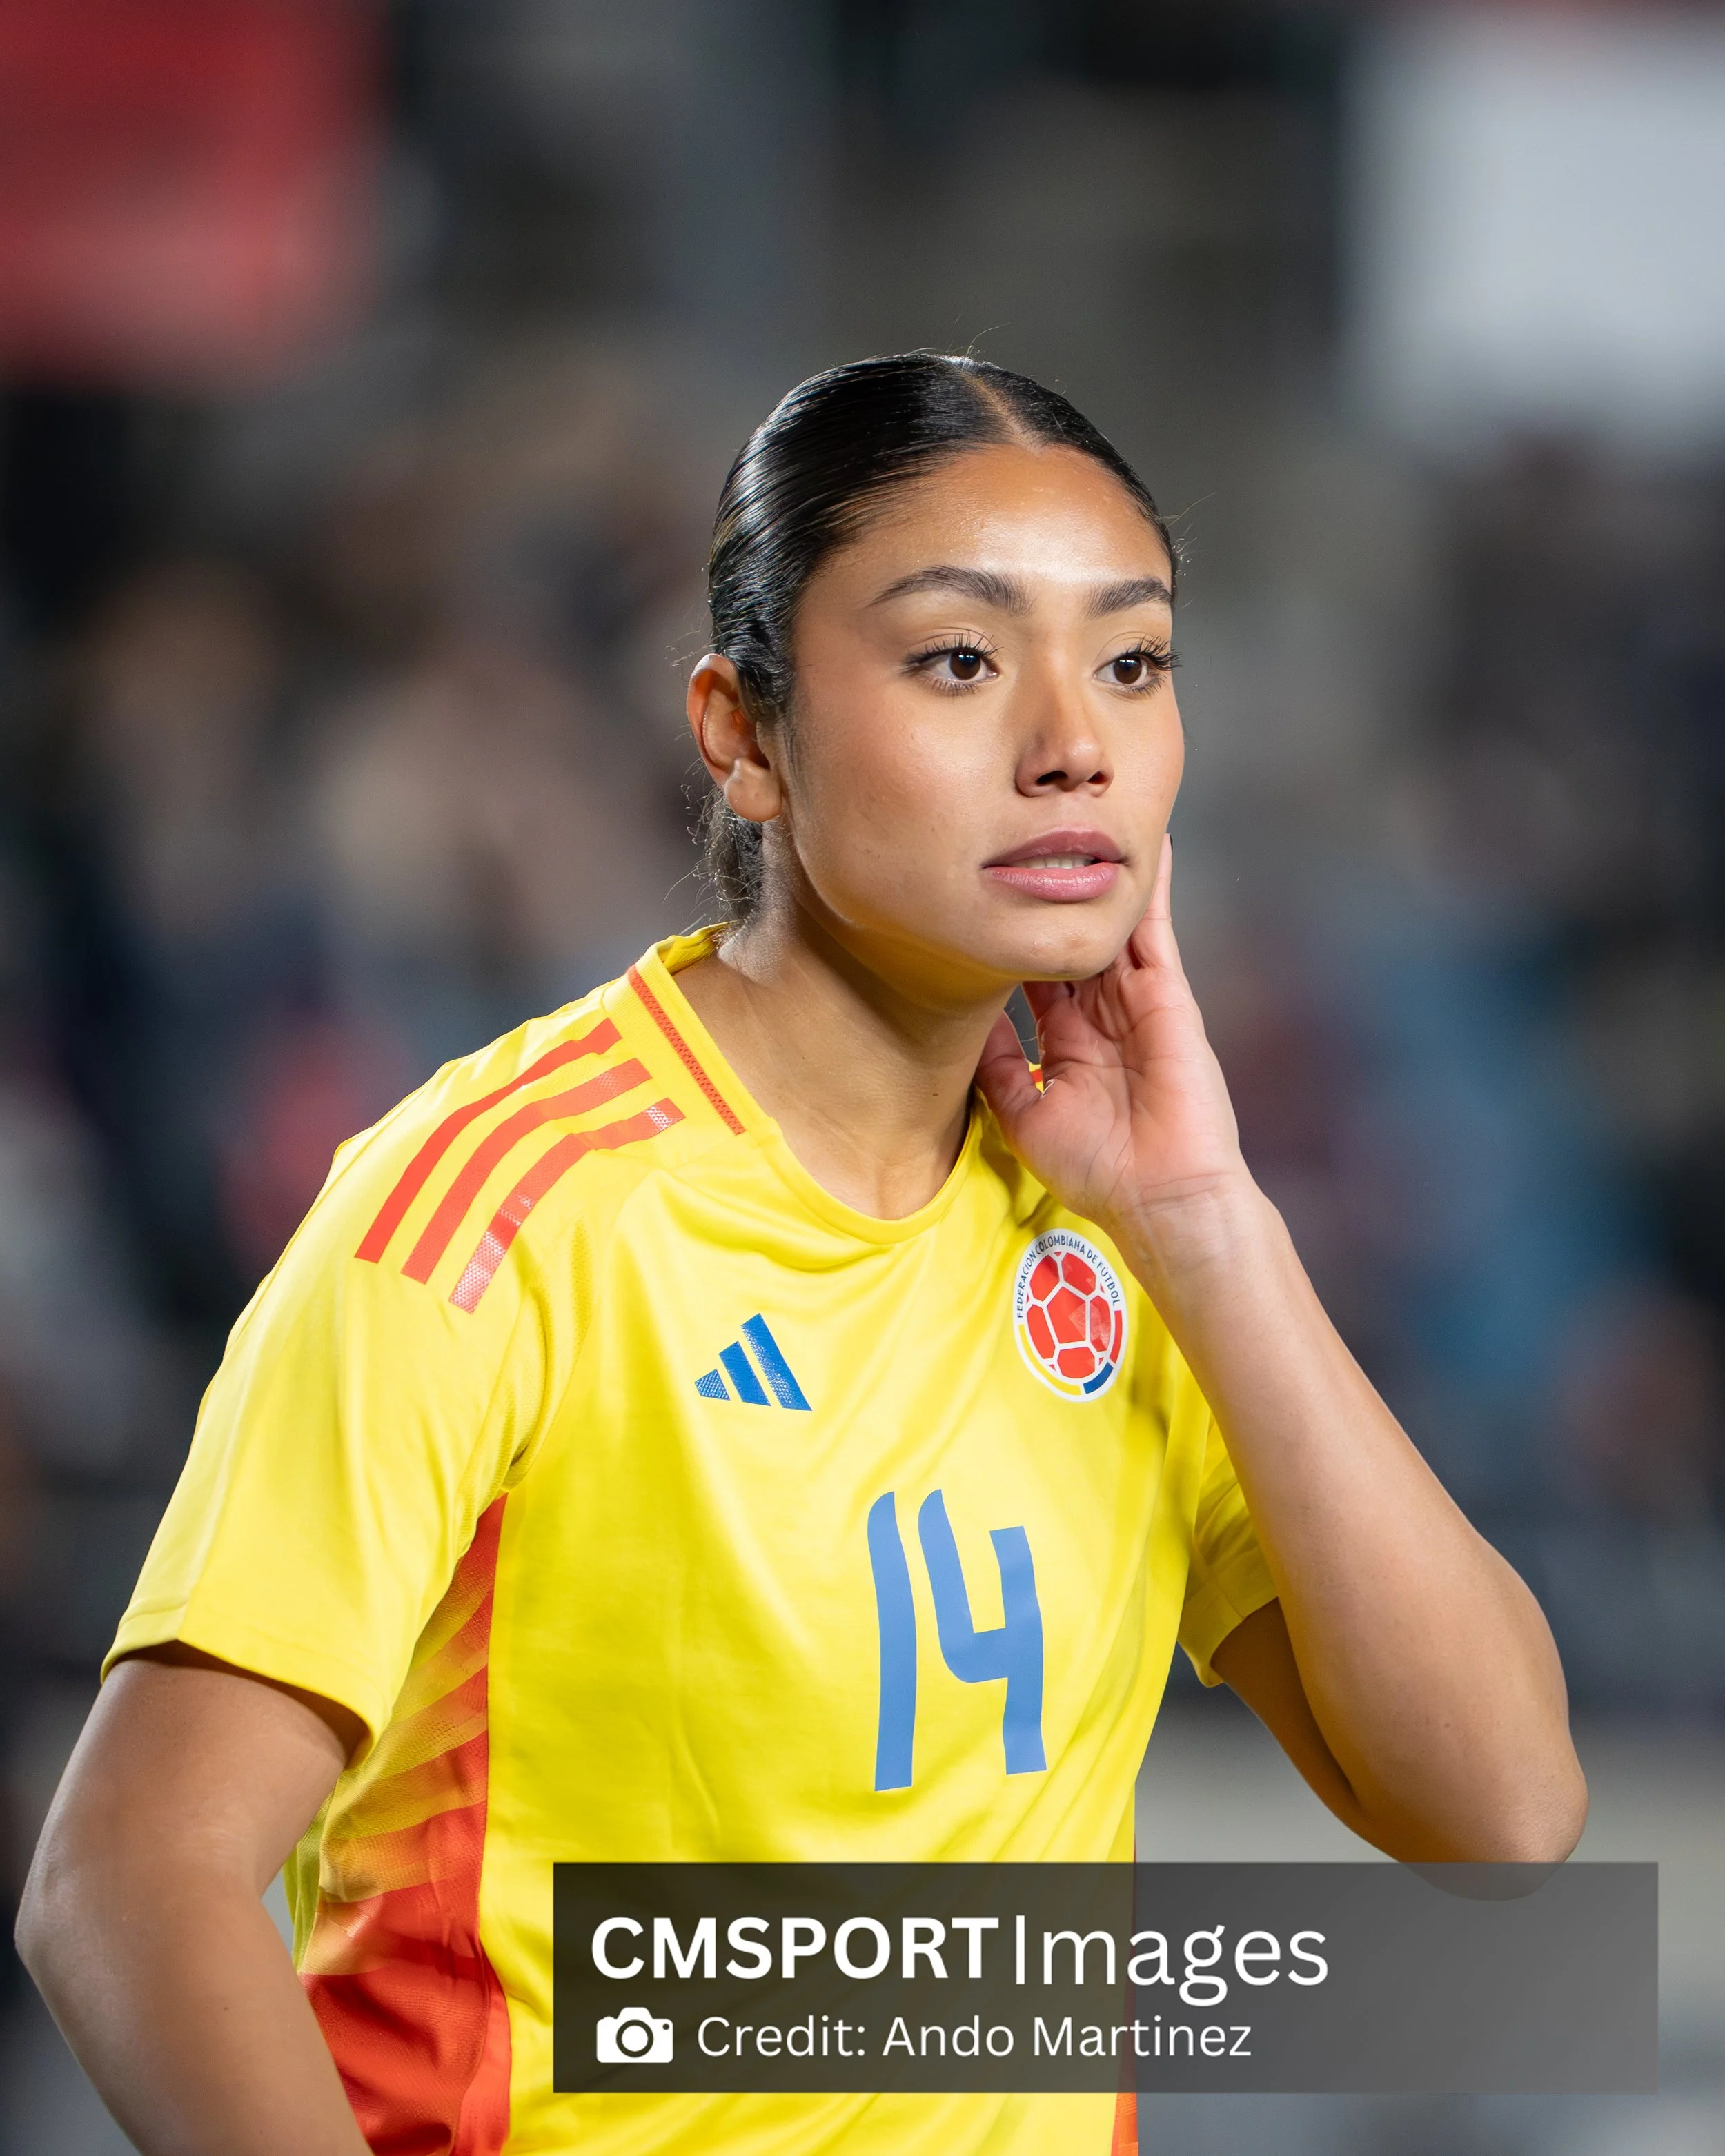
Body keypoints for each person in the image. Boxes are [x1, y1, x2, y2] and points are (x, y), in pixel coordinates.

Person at [17, 354, 1586, 2156]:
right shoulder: (498, 1209)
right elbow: (127, 1879)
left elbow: (1503, 1812)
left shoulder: (1132, 1231)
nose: (1070, 736)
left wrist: (1207, 1222)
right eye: (956, 659)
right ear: (742, 735)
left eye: (1131, 660)